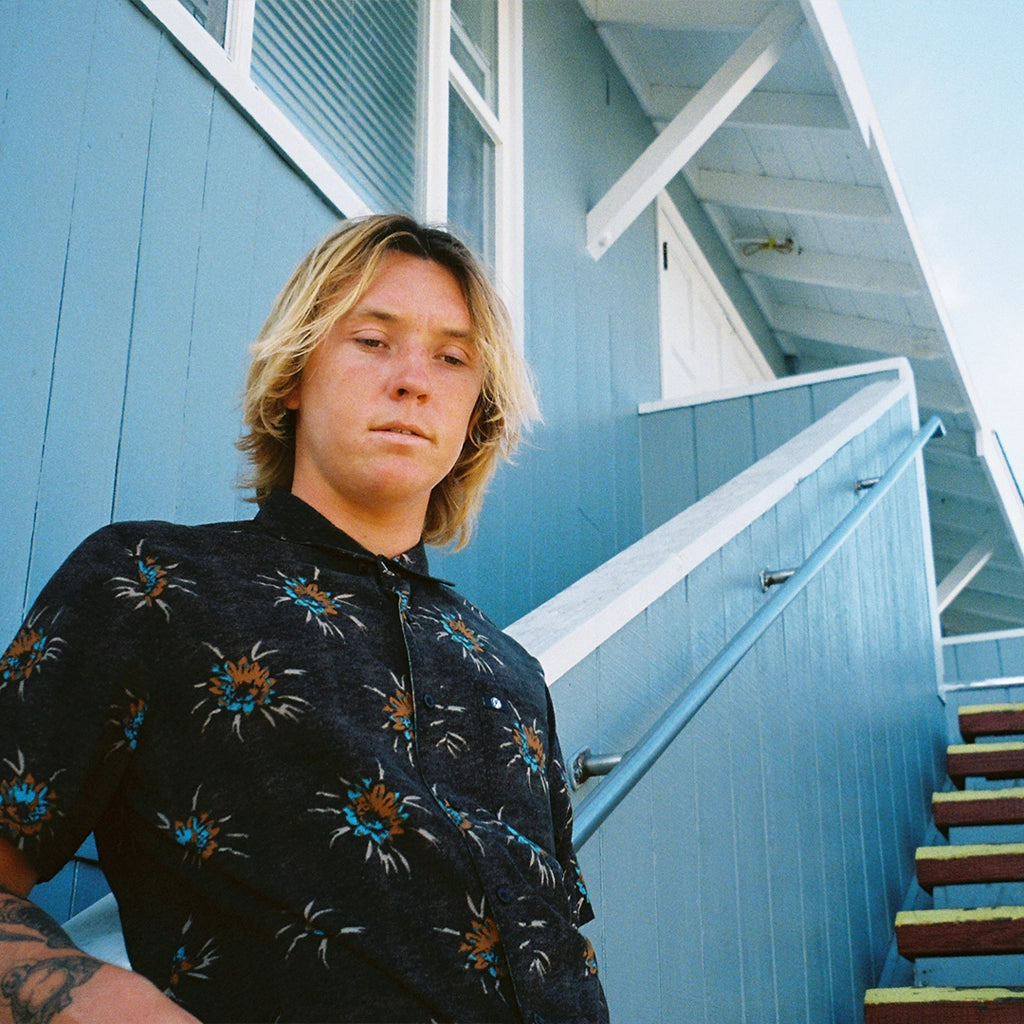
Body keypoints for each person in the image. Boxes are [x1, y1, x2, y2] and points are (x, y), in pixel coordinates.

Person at [0, 215, 609, 1023]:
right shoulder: (149, 581)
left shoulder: (515, 672)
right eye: (372, 339)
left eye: (453, 357)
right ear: (295, 372)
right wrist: (94, 998)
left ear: (474, 416)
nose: (413, 379)